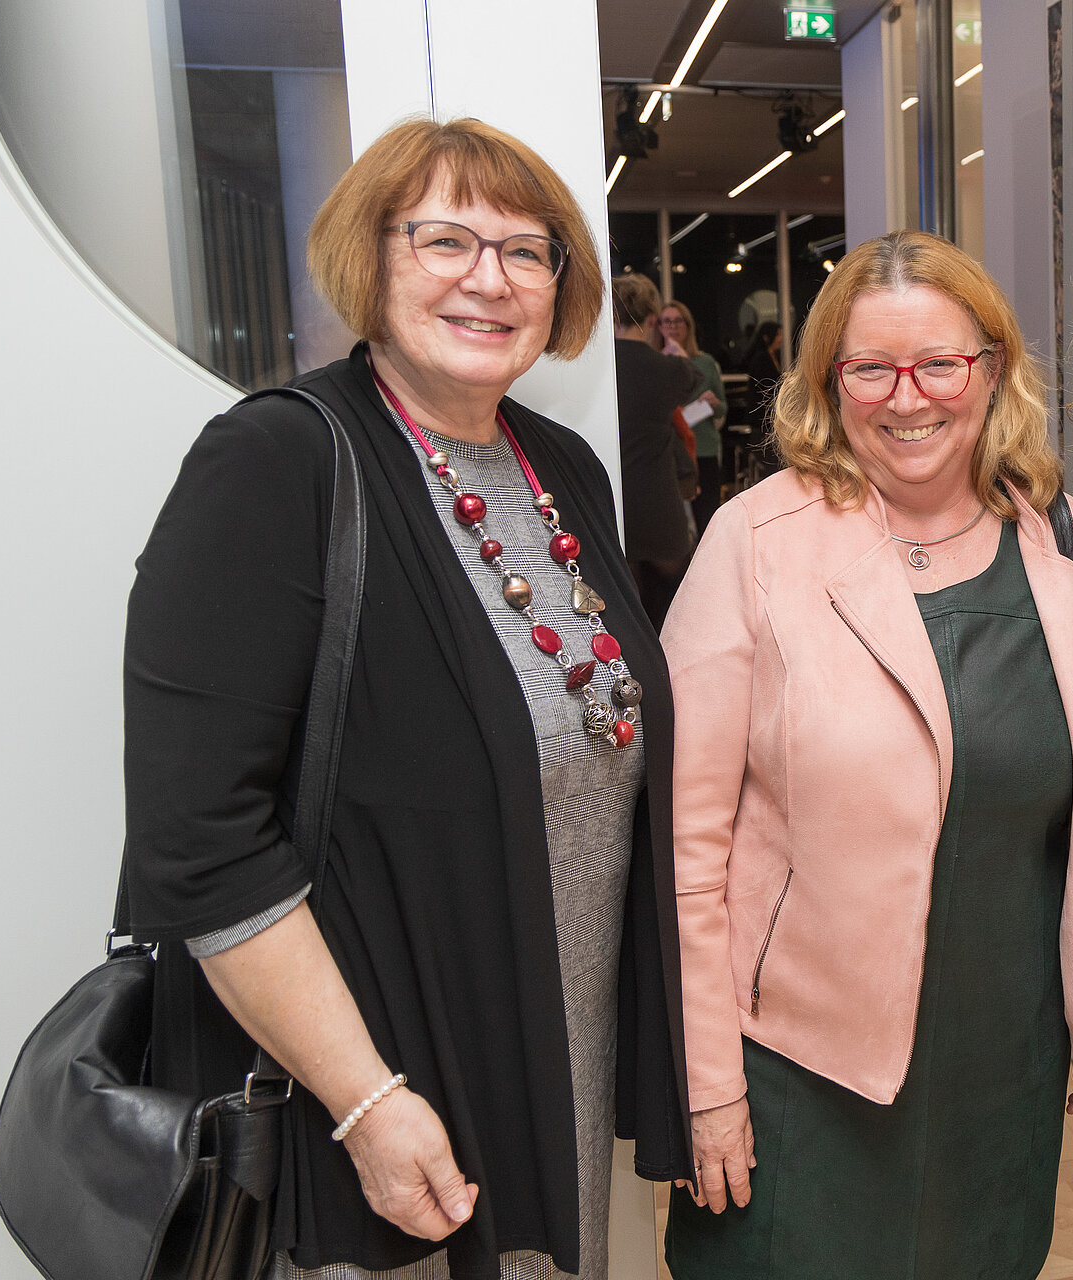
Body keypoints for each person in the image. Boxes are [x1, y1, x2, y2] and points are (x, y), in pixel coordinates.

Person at [121, 116, 692, 1280]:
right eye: (445, 240)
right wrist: (366, 1100)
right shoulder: (276, 462)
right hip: (372, 1101)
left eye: (526, 250)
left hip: (555, 1065)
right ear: (369, 258)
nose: (490, 278)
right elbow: (201, 840)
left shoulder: (562, 467)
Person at [660, 230, 1073, 1280]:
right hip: (795, 1067)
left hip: (1003, 1061)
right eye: (871, 369)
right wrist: (706, 1082)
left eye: (940, 363)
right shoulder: (755, 543)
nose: (908, 398)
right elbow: (683, 849)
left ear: (992, 368)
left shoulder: (1072, 549)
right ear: (828, 382)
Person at [611, 273, 700, 629]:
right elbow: (694, 379)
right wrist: (677, 353)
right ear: (651, 319)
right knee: (674, 603)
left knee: (626, 609)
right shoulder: (668, 369)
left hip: (613, 499)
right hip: (659, 500)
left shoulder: (598, 371)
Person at [655, 300, 729, 536]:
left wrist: (715, 404)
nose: (672, 326)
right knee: (673, 525)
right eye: (667, 321)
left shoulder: (705, 363)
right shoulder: (656, 362)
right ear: (658, 326)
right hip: (669, 451)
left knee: (707, 520)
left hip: (704, 449)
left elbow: (723, 408)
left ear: (688, 326)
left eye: (678, 321)